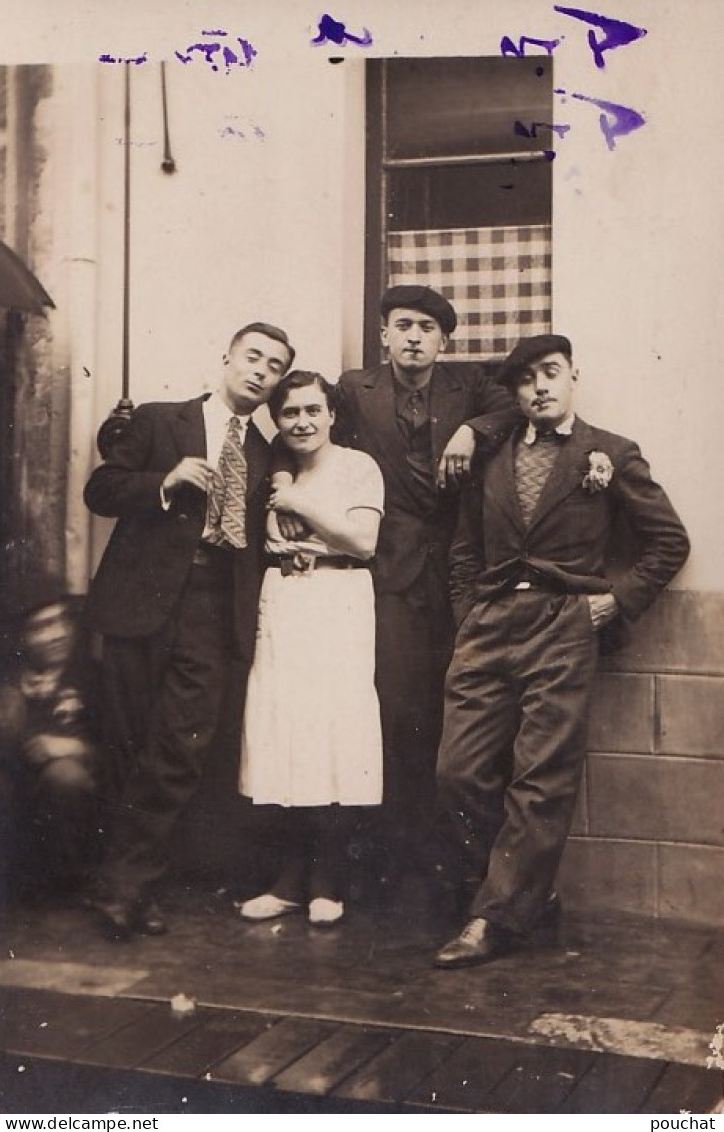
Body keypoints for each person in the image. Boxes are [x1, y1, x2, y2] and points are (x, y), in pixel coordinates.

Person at [432, 334, 690, 968]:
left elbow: (668, 541)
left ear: (575, 375)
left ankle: (493, 917)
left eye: (550, 373)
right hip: (490, 620)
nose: (539, 388)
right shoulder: (490, 452)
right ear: (513, 393)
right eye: (525, 380)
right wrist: (469, 615)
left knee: (541, 777)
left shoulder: (610, 453)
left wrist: (613, 601)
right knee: (456, 771)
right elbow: (465, 548)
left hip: (564, 622)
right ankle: (521, 896)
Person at [83, 322, 295, 940]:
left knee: (179, 751)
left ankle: (124, 885)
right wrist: (165, 482)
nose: (260, 371)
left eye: (274, 366)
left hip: (211, 608)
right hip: (140, 604)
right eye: (252, 357)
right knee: (125, 742)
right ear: (225, 358)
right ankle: (128, 887)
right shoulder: (159, 421)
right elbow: (101, 490)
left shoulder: (265, 452)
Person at [328, 285, 519, 880]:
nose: (414, 336)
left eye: (428, 328)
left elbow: (514, 407)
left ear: (444, 341)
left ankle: (450, 864)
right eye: (403, 325)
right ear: (384, 334)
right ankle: (389, 859)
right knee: (397, 708)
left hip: (460, 569)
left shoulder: (471, 387)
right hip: (388, 571)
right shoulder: (353, 390)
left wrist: (472, 432)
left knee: (455, 712)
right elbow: (302, 425)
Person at [238, 371, 384, 925]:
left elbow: (363, 541)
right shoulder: (277, 465)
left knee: (331, 734)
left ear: (332, 415)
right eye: (291, 412)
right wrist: (285, 482)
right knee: (284, 735)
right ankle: (290, 879)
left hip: (339, 596)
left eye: (313, 411)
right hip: (283, 597)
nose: (302, 421)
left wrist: (300, 500)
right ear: (277, 420)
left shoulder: (356, 467)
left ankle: (328, 880)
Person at [0, 586, 101, 907]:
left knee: (65, 776)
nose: (56, 634)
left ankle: (65, 885)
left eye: (61, 621)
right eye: (41, 627)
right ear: (21, 638)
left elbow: (121, 750)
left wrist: (73, 747)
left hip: (71, 809)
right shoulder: (9, 679)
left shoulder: (91, 676)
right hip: (17, 800)